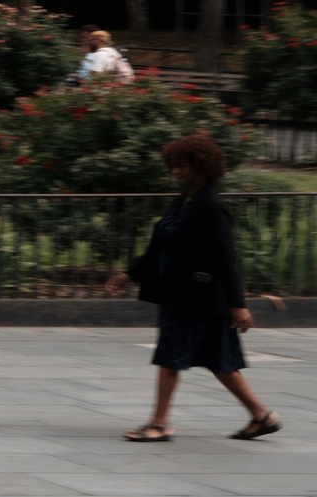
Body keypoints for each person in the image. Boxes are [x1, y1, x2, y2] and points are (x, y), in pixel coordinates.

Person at [111, 132, 280, 443]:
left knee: (170, 356)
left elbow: (225, 257)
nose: (177, 171)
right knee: (219, 361)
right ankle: (261, 416)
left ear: (204, 167)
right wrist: (130, 274)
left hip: (198, 298)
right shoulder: (185, 201)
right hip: (181, 294)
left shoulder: (210, 206)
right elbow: (161, 245)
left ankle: (159, 424)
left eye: (183, 166)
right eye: (173, 166)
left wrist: (238, 303)